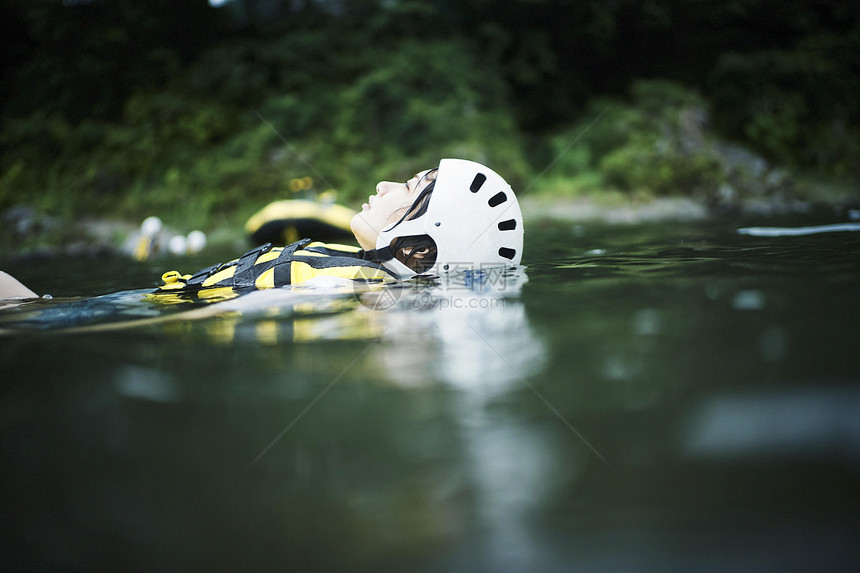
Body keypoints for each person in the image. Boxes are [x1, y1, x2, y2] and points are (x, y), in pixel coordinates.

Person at [0, 159, 523, 303]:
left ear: (426, 233)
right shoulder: (367, 281)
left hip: (76, 313)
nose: (385, 182)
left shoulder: (357, 291)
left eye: (408, 185)